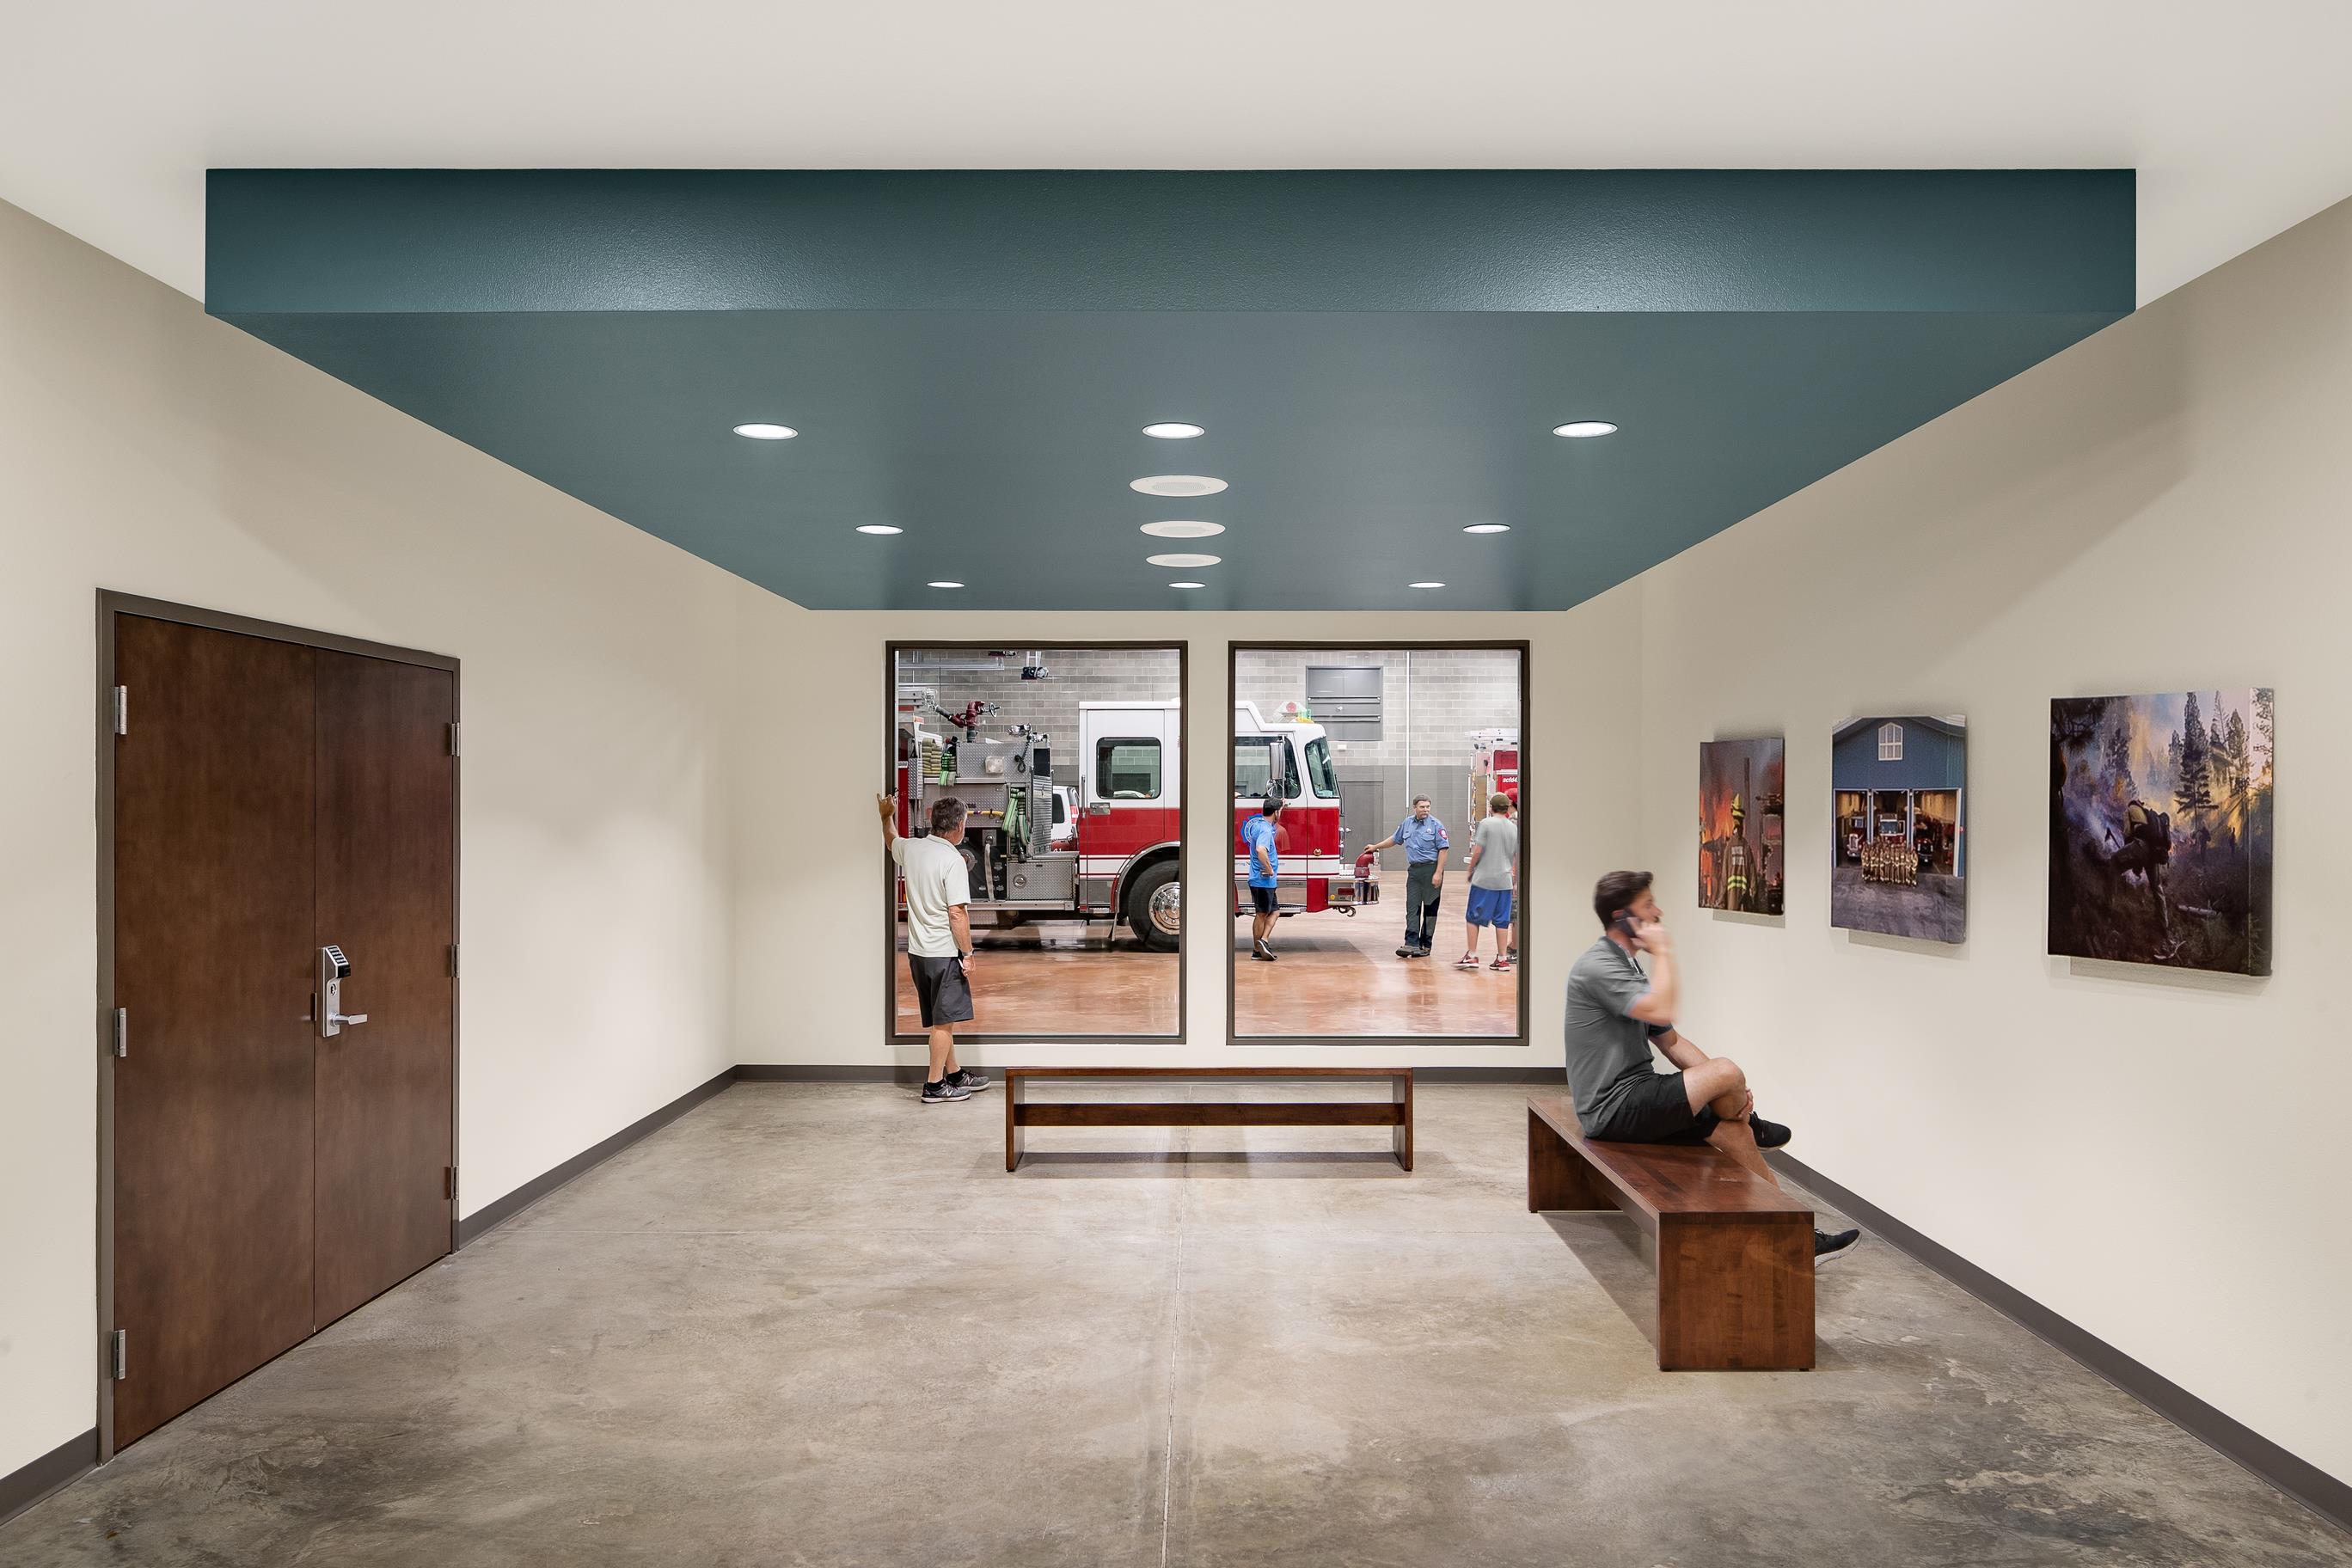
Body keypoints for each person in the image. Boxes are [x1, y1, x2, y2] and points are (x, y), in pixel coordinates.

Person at [1564, 870, 1859, 1265]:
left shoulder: (1627, 966)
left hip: (1639, 1095)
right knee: (1727, 1070)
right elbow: (1663, 1010)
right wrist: (1664, 953)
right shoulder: (1599, 966)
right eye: (1648, 906)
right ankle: (1750, 1121)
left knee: (1736, 1132)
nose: (1658, 912)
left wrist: (1727, 1092)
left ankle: (1797, 1238)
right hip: (1612, 1108)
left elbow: (1672, 1042)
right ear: (1622, 917)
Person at [877, 793, 991, 1106]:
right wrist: (968, 954)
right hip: (944, 954)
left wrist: (886, 816)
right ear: (959, 826)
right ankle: (935, 1085)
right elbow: (957, 913)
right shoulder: (952, 860)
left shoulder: (913, 848)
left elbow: (891, 840)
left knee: (944, 1019)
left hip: (919, 954)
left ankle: (953, 1074)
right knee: (943, 1024)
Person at [1363, 795, 1449, 958]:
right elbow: (1395, 839)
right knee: (1412, 907)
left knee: (1430, 908)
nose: (1425, 810)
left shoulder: (1436, 825)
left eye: (1428, 807)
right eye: (1422, 807)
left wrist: (1438, 872)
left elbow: (1443, 849)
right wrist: (1375, 847)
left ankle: (1425, 945)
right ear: (1414, 807)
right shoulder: (1407, 823)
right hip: (1414, 871)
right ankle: (1411, 943)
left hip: (1431, 869)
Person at [1458, 793, 1519, 971]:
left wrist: (1470, 870)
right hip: (1505, 881)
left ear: (1491, 807)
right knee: (1502, 920)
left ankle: (1472, 955)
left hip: (1484, 879)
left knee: (1473, 917)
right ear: (1507, 808)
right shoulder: (1513, 827)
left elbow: (1478, 851)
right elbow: (1516, 856)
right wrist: (1513, 876)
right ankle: (1502, 958)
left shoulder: (1486, 824)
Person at [1242, 793, 1283, 961]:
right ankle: (1257, 951)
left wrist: (1281, 804)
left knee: (1275, 912)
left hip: (1263, 881)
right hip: (1263, 880)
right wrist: (1269, 869)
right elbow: (1260, 850)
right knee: (1261, 914)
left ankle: (1263, 941)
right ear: (1275, 812)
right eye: (1280, 811)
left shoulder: (1259, 825)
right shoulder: (1266, 830)